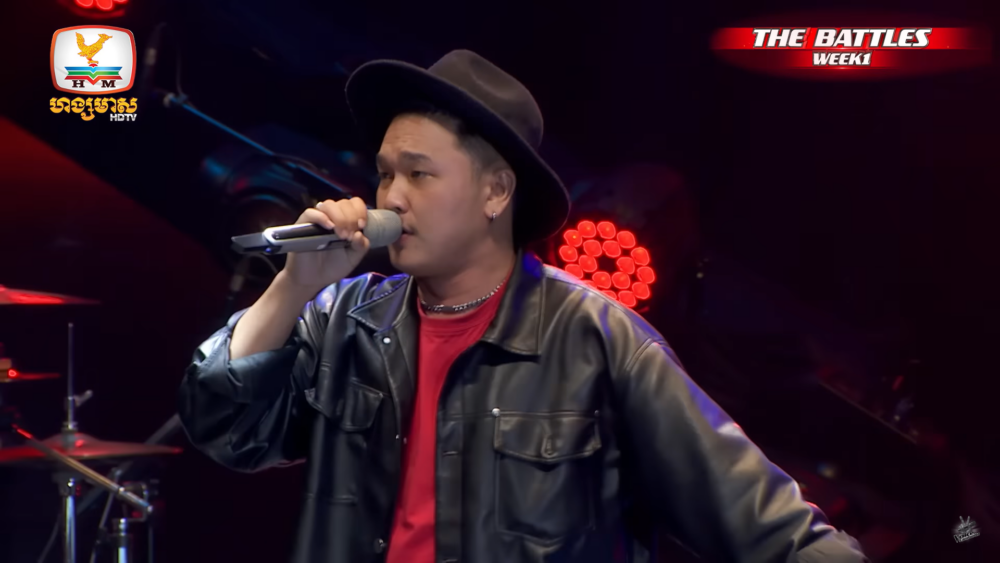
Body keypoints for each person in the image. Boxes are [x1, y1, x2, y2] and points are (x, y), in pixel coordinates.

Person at [177, 49, 868, 563]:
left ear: (496, 192)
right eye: (385, 173)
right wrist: (295, 284)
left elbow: (772, 530)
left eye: (418, 173)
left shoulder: (598, 342)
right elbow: (222, 428)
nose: (391, 197)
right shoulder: (344, 317)